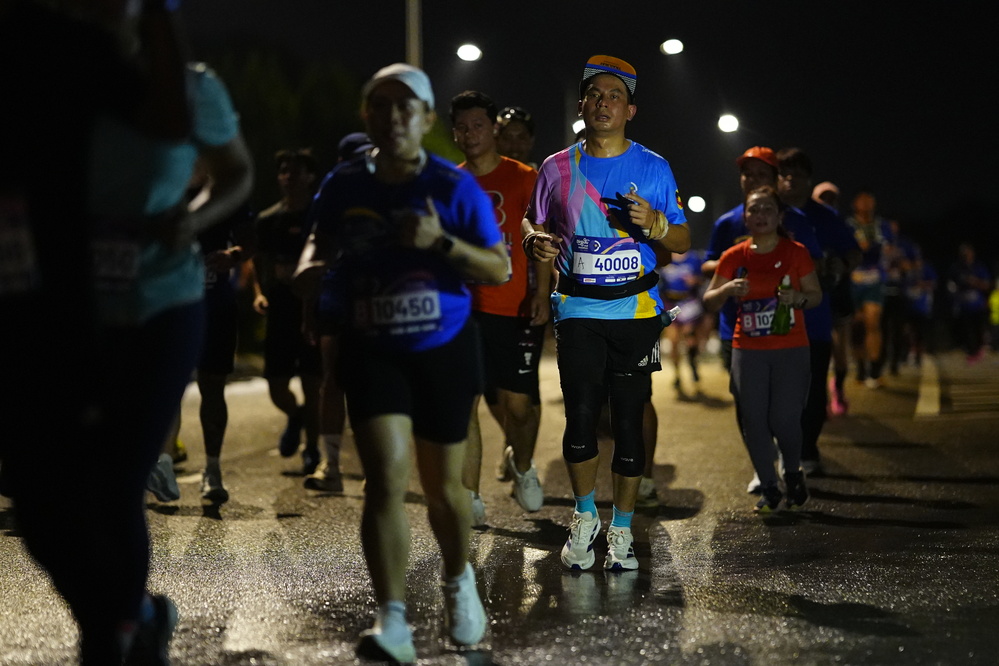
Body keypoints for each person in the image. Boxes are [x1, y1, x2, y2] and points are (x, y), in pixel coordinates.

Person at [0, 2, 202, 663]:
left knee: (98, 491)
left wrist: (161, 12)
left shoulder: (55, 42)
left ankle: (110, 635)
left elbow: (168, 121)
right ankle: (129, 618)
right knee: (38, 508)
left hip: (66, 306)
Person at [294, 63, 506, 662]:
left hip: (443, 346)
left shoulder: (451, 185)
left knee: (443, 490)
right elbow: (317, 242)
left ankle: (458, 579)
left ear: (427, 118)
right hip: (373, 346)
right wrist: (311, 269)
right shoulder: (343, 184)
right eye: (380, 106)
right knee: (385, 480)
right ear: (366, 116)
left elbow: (498, 267)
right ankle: (392, 621)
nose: (393, 117)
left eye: (405, 107)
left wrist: (440, 242)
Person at [523, 55, 690, 571]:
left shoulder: (654, 167)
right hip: (577, 309)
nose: (603, 103)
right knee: (579, 417)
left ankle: (622, 528)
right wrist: (532, 241)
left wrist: (656, 223)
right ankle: (584, 515)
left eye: (615, 96)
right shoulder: (555, 167)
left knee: (629, 422)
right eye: (595, 94)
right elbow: (534, 221)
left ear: (630, 110)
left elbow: (683, 241)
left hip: (636, 312)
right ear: (582, 106)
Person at [449, 90, 548, 525]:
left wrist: (542, 293)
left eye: (478, 125)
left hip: (517, 307)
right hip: (465, 309)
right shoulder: (450, 182)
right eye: (462, 127)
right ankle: (469, 497)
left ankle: (521, 465)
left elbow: (542, 238)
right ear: (455, 134)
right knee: (465, 401)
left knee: (520, 407)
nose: (470, 134)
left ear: (492, 129)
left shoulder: (525, 177)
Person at [702, 146, 822, 492]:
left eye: (768, 208)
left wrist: (798, 297)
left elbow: (814, 284)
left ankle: (791, 466)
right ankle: (765, 475)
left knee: (784, 416)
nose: (760, 214)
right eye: (753, 209)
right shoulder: (729, 238)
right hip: (742, 339)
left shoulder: (796, 239)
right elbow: (710, 281)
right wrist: (729, 285)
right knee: (751, 414)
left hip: (789, 341)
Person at [777, 147, 859, 475]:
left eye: (797, 174)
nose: (790, 180)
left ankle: (808, 449)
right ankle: (783, 446)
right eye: (784, 174)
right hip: (773, 321)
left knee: (813, 390)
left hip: (815, 318)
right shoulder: (767, 211)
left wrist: (841, 265)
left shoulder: (825, 217)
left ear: (809, 179)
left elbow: (853, 251)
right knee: (778, 390)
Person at [302, 132, 373, 493]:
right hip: (336, 297)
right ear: (343, 162)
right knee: (331, 381)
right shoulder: (330, 192)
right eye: (356, 158)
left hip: (375, 299)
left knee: (372, 386)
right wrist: (308, 310)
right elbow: (313, 250)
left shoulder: (386, 189)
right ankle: (331, 466)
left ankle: (375, 467)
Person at [251, 149, 323, 474]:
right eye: (283, 171)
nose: (288, 177)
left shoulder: (319, 214)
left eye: (295, 171)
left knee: (312, 381)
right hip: (280, 307)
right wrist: (259, 293)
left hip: (313, 307)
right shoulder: (269, 219)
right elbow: (257, 258)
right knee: (277, 386)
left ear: (310, 176)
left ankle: (312, 449)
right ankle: (296, 416)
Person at [845, 188, 892, 388]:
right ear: (855, 204)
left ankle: (875, 370)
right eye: (862, 200)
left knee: (873, 322)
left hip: (874, 279)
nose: (866, 204)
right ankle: (861, 369)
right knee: (856, 327)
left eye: (869, 200)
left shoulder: (882, 225)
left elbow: (890, 248)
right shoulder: (848, 225)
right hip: (854, 280)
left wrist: (885, 250)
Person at [947, 242, 992, 363]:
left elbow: (986, 285)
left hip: (977, 305)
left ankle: (978, 350)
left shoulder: (979, 267)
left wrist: (974, 282)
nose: (966, 256)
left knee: (978, 328)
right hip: (963, 305)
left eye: (968, 253)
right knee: (965, 329)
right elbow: (951, 285)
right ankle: (970, 351)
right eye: (963, 254)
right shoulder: (957, 268)